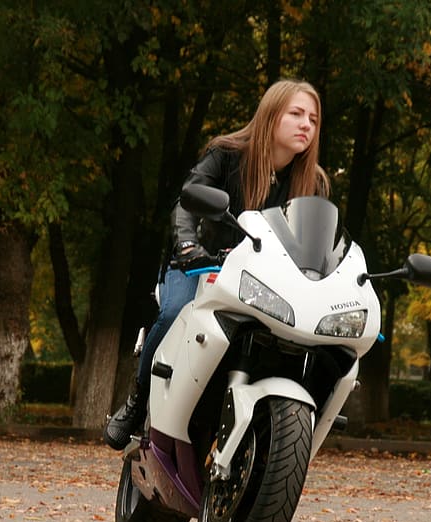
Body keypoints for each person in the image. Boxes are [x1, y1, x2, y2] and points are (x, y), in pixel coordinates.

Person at [104, 79, 331, 450]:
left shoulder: (313, 183)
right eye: (296, 114)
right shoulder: (226, 154)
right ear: (271, 115)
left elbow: (316, 245)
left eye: (313, 118)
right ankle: (137, 400)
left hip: (266, 284)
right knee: (175, 310)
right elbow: (187, 201)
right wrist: (188, 245)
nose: (306, 124)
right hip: (202, 268)